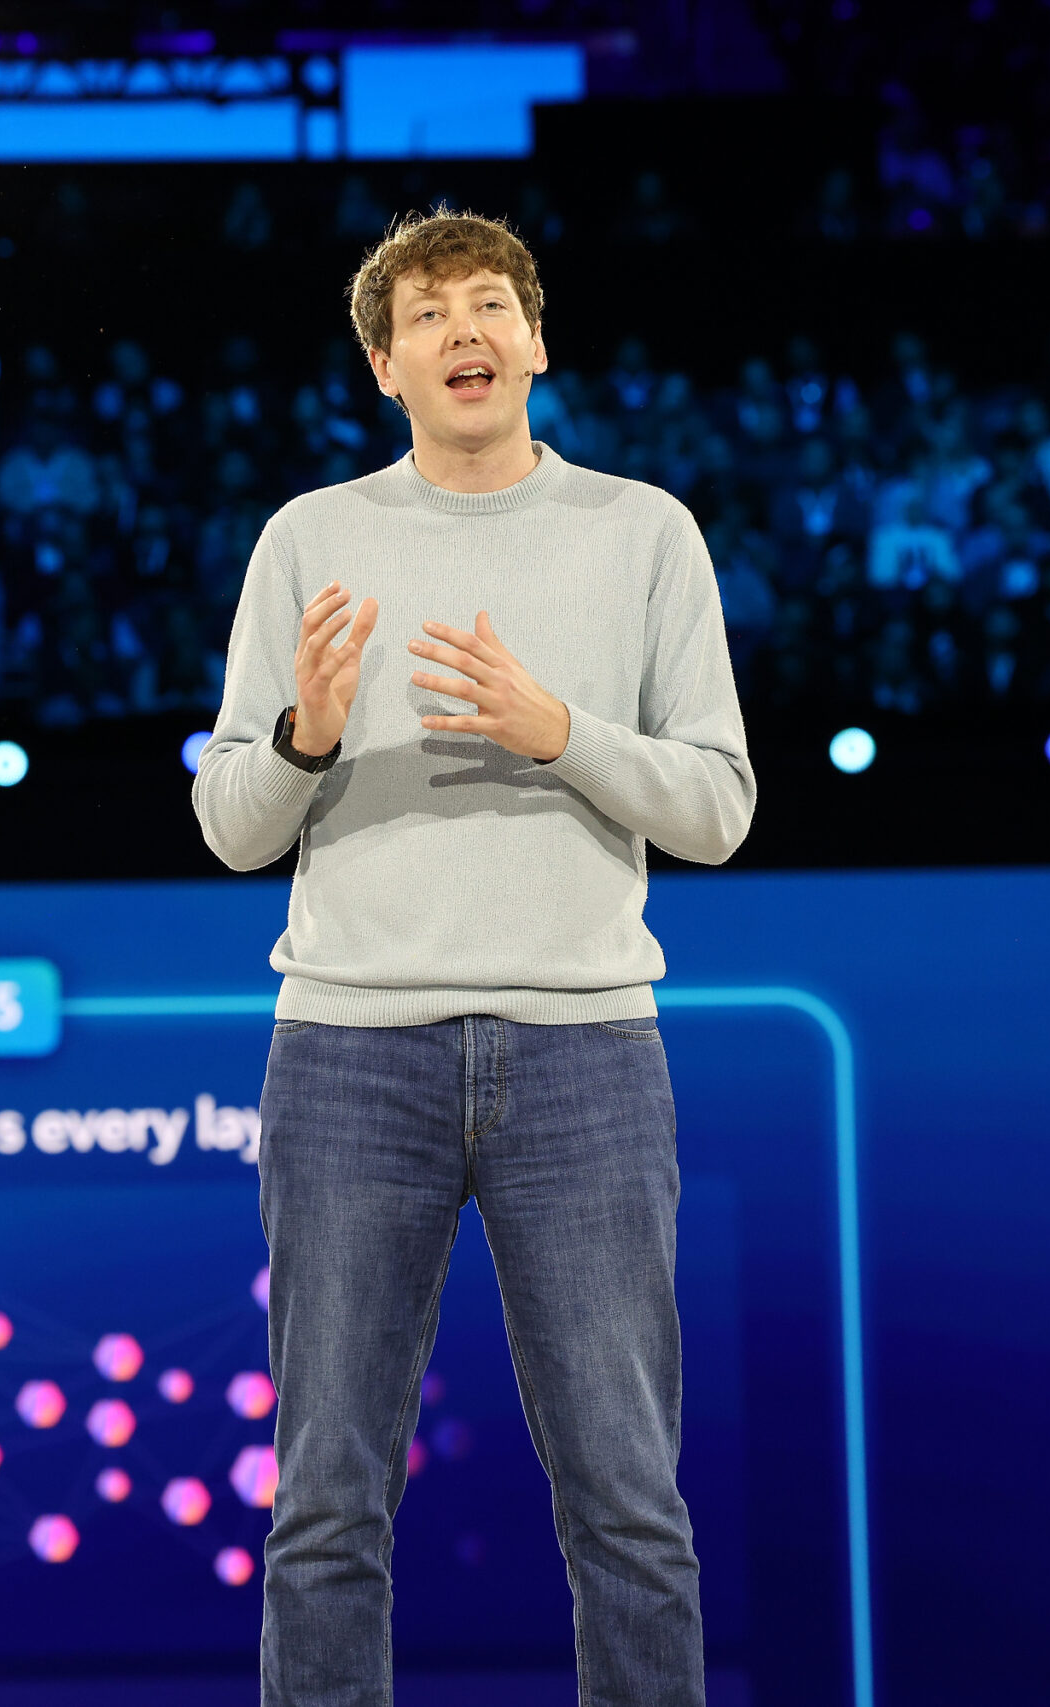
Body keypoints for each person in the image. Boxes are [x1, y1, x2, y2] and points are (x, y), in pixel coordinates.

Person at [190, 209, 754, 1707]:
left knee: (630, 1503)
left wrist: (558, 732)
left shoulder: (644, 533)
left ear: (537, 342)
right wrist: (306, 736)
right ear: (386, 367)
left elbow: (719, 808)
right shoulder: (308, 540)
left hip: (585, 1055)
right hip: (348, 1057)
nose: (466, 332)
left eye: (492, 304)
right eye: (429, 315)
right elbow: (233, 825)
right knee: (325, 1506)